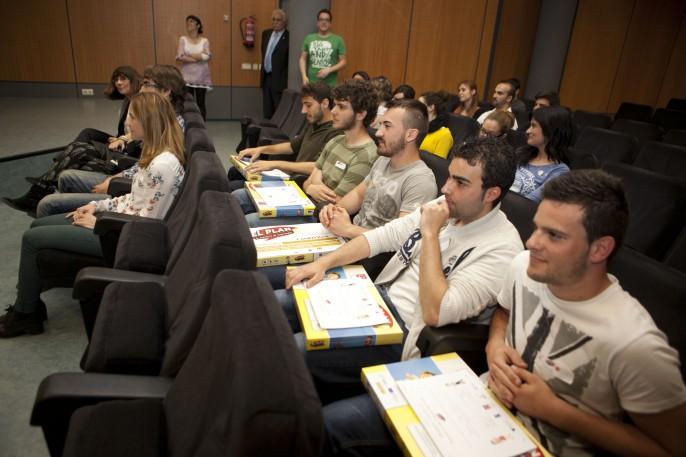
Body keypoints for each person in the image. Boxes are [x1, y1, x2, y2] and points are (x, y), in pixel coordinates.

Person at [279, 137, 523, 393]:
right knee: (282, 301)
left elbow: (435, 312)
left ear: (492, 193)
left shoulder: (502, 249)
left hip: (403, 333)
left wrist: (429, 234)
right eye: (450, 177)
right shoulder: (444, 207)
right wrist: (324, 263)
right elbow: (382, 237)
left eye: (460, 183)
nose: (445, 188)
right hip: (374, 298)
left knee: (292, 350)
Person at [487, 170, 686, 456]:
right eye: (537, 228)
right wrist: (494, 347)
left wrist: (556, 411)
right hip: (490, 417)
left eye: (554, 235)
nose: (532, 242)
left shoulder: (636, 344)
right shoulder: (523, 266)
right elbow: (503, 313)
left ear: (600, 249)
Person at [0, 92, 186, 337]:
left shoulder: (162, 165)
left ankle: (26, 315)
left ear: (148, 120)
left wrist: (97, 224)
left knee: (32, 239)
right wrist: (98, 207)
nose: (127, 122)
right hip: (118, 225)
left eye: (132, 116)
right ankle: (30, 301)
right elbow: (135, 199)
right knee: (39, 225)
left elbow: (146, 225)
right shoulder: (155, 153)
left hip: (123, 238)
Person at [34, 64, 188, 218]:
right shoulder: (157, 123)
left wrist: (114, 181)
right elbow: (140, 178)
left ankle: (46, 191)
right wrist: (98, 204)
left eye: (147, 84)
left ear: (166, 91)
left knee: (76, 160)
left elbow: (144, 215)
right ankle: (47, 188)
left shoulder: (165, 143)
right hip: (128, 187)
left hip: (125, 191)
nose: (141, 88)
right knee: (79, 150)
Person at [2, 66, 142, 213]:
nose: (118, 83)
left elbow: (141, 132)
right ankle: (51, 174)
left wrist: (123, 139)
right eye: (116, 79)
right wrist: (121, 138)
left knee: (78, 152)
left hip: (124, 154)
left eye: (123, 79)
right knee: (87, 133)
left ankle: (45, 183)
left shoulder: (143, 103)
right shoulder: (127, 101)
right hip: (122, 145)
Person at [244, 79, 378, 228]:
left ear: (360, 114)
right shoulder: (337, 141)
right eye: (335, 105)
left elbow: (335, 202)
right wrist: (311, 187)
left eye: (341, 107)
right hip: (303, 198)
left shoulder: (366, 155)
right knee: (240, 196)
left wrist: (313, 186)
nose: (333, 111)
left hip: (317, 217)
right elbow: (310, 181)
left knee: (249, 222)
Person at [319, 98, 437, 240]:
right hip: (350, 239)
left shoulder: (421, 181)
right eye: (380, 125)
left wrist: (349, 229)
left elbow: (401, 238)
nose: (378, 133)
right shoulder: (383, 160)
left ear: (410, 135)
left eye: (387, 126)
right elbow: (359, 194)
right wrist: (333, 211)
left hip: (372, 256)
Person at [230, 82, 341, 199]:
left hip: (302, 185)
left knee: (237, 195)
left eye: (308, 105)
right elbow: (291, 147)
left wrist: (276, 164)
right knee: (235, 172)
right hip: (292, 178)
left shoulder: (335, 133)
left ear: (325, 103)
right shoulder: (314, 123)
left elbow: (319, 167)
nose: (303, 111)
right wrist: (261, 149)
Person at [510, 106, 573, 202]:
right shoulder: (521, 153)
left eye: (533, 126)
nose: (528, 131)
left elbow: (529, 203)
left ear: (550, 130)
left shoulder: (560, 172)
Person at [176, 14, 212, 120]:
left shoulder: (205, 41)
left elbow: (207, 56)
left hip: (201, 78)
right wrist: (198, 57)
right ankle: (189, 126)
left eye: (191, 21)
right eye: (187, 21)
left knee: (201, 104)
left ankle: (201, 129)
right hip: (187, 78)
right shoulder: (183, 39)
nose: (188, 23)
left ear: (198, 25)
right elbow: (180, 56)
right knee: (187, 104)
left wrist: (190, 55)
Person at [299, 8, 346, 87]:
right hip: (312, 84)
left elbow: (343, 62)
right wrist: (304, 76)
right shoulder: (309, 38)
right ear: (317, 22)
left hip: (330, 85)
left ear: (330, 23)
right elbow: (302, 59)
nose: (324, 22)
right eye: (321, 20)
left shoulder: (338, 40)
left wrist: (329, 70)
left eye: (327, 20)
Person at [260, 8, 289, 119]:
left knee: (278, 111)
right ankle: (266, 133)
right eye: (273, 19)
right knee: (267, 111)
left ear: (284, 22)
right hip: (266, 77)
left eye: (278, 20)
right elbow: (264, 54)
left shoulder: (289, 37)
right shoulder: (266, 34)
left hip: (279, 80)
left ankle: (276, 134)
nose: (275, 22)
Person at [418, 91, 453, 159]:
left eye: (419, 105)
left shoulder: (444, 135)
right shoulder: (417, 127)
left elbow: (437, 165)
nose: (415, 108)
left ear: (431, 107)